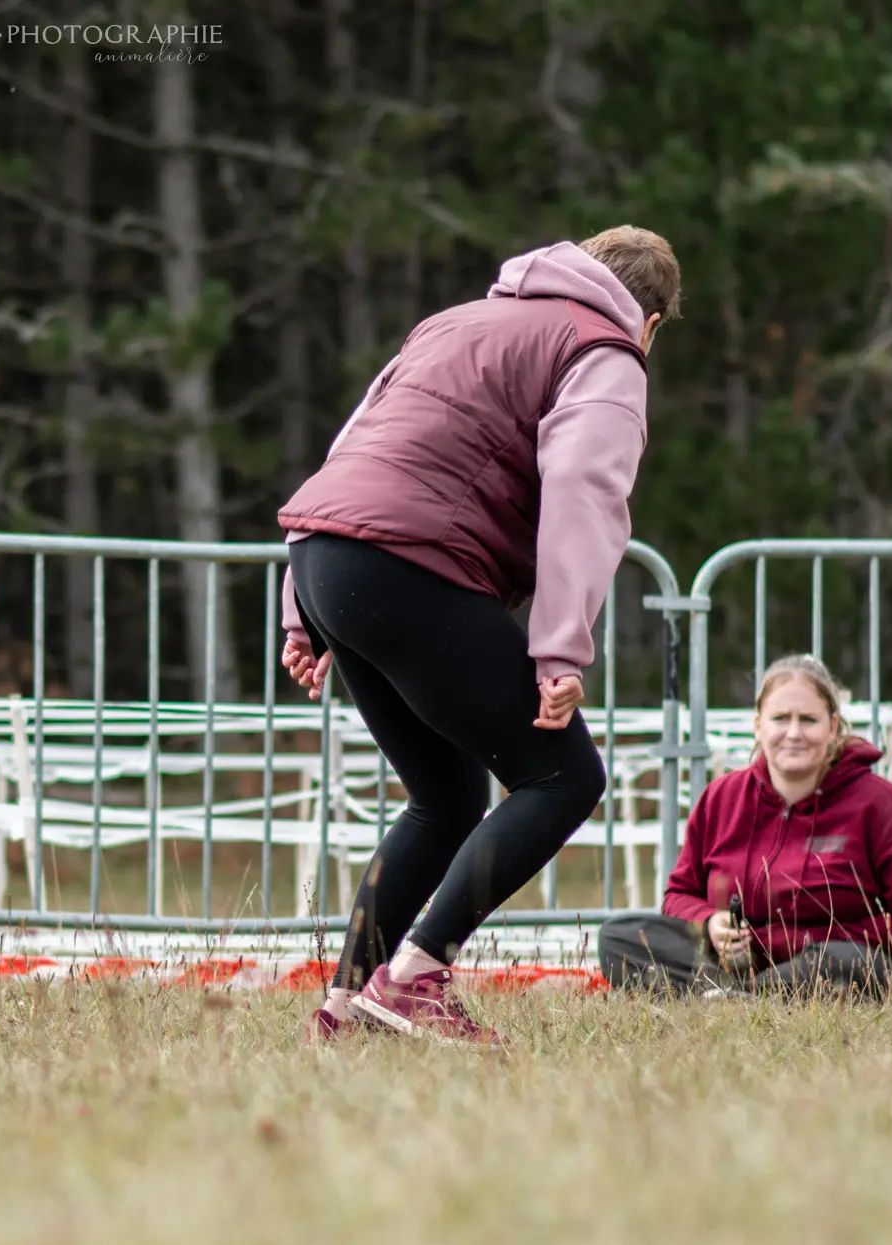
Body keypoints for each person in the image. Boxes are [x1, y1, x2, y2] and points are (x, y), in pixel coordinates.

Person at [277, 226, 681, 1047]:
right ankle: (420, 972)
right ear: (653, 319)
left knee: (447, 794)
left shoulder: (453, 321)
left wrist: (302, 608)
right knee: (563, 777)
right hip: (408, 564)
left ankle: (351, 1000)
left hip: (327, 556)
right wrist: (560, 648)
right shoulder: (606, 350)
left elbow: (350, 447)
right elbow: (583, 490)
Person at [597, 654, 892, 999]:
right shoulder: (721, 797)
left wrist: (785, 943)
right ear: (758, 725)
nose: (793, 733)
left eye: (808, 720)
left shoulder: (883, 805)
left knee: (842, 963)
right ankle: (737, 995)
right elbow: (678, 896)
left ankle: (726, 997)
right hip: (734, 965)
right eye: (780, 718)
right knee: (619, 937)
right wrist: (710, 923)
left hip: (832, 965)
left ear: (833, 725)